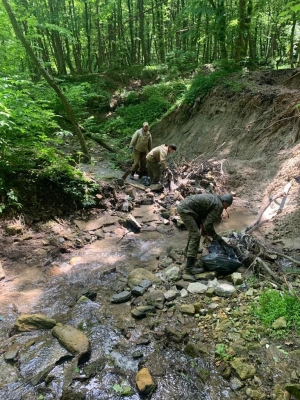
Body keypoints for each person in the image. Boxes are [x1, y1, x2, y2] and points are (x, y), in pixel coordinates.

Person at [177, 193, 233, 274]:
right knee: (196, 235)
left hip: (187, 206)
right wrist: (214, 235)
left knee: (194, 232)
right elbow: (208, 224)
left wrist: (203, 228)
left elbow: (204, 214)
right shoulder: (219, 206)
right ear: (224, 201)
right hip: (186, 210)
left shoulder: (215, 198)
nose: (226, 208)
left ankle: (188, 252)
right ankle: (189, 267)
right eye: (227, 205)